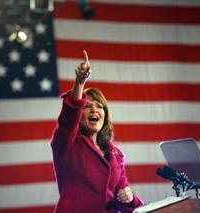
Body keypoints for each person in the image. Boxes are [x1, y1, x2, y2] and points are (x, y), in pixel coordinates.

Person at [51, 50, 143, 213]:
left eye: (99, 107)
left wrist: (129, 199)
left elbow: (128, 201)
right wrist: (80, 82)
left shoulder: (116, 154)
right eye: (87, 106)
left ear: (105, 116)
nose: (94, 109)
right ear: (79, 113)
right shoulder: (67, 143)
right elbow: (68, 117)